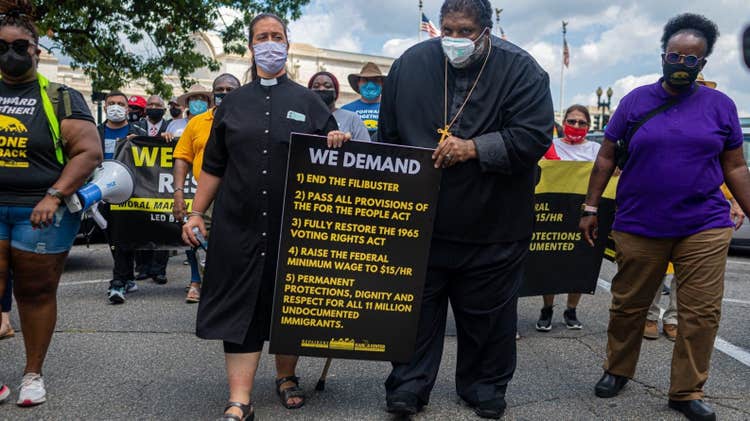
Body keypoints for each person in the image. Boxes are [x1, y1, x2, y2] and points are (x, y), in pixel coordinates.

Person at [378, 0, 553, 418]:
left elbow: (533, 138)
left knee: (488, 318)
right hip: (423, 220)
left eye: (466, 32)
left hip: (493, 221)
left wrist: (475, 147)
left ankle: (484, 386)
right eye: (448, 31)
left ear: (486, 30)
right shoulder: (410, 64)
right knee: (415, 313)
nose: (455, 40)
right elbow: (388, 137)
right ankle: (408, 385)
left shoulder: (522, 70)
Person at [579, 13, 750, 421]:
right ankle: (616, 370)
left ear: (703, 64)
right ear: (662, 56)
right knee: (629, 306)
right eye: (675, 56)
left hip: (703, 225)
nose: (682, 64)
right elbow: (605, 156)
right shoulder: (635, 101)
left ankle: (686, 391)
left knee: (701, 313)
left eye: (692, 59)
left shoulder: (721, 106)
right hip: (640, 224)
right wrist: (589, 206)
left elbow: (736, 167)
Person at [182, 13, 349, 421]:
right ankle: (240, 398)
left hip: (294, 225)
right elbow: (214, 166)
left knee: (287, 302)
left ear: (287, 44)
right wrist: (195, 213)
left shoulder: (310, 102)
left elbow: (332, 158)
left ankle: (286, 376)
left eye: (277, 36)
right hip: (237, 224)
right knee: (243, 305)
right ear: (251, 45)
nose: (270, 43)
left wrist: (337, 141)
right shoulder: (233, 103)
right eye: (262, 37)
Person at [0, 1, 102, 406]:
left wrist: (54, 194)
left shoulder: (61, 97)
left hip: (41, 213)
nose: (10, 53)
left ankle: (32, 374)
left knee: (36, 292)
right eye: (2, 45)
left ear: (36, 51)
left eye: (20, 45)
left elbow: (89, 152)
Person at [644, 73, 744, 343]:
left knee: (685, 276)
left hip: (702, 215)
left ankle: (674, 318)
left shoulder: (715, 119)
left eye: (700, 86)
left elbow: (731, 167)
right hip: (658, 210)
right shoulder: (660, 116)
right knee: (655, 268)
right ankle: (650, 316)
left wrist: (736, 201)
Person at [173, 73, 241, 303]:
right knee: (196, 237)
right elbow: (182, 158)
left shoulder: (250, 118)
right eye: (220, 90)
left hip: (239, 194)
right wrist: (178, 193)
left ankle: (231, 292)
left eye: (231, 90)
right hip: (205, 195)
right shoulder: (197, 122)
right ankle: (198, 282)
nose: (225, 94)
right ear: (213, 96)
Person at [536, 104, 600, 332]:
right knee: (551, 260)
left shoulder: (595, 149)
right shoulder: (551, 146)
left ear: (588, 126)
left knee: (580, 261)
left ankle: (571, 310)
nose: (576, 126)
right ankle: (547, 308)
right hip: (555, 211)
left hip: (584, 213)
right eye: (572, 121)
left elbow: (604, 174)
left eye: (582, 123)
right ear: (564, 123)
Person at [132, 94, 173, 284]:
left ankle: (159, 270)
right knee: (141, 225)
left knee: (162, 226)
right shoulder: (135, 127)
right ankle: (142, 268)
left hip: (164, 183)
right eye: (151, 104)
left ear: (163, 109)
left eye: (158, 105)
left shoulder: (170, 127)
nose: (153, 107)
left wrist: (170, 139)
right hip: (141, 182)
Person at [308, 71, 370, 141]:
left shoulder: (352, 118)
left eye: (327, 86)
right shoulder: (304, 116)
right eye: (316, 86)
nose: (321, 89)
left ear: (335, 93)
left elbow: (367, 148)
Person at [341, 61, 385, 140]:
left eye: (375, 80)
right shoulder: (345, 111)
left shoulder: (392, 111)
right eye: (365, 80)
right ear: (358, 83)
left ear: (382, 84)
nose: (370, 85)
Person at [97, 91, 135, 159]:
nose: (116, 108)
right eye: (111, 104)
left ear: (127, 110)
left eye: (121, 104)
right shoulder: (95, 133)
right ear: (105, 109)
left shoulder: (139, 133)